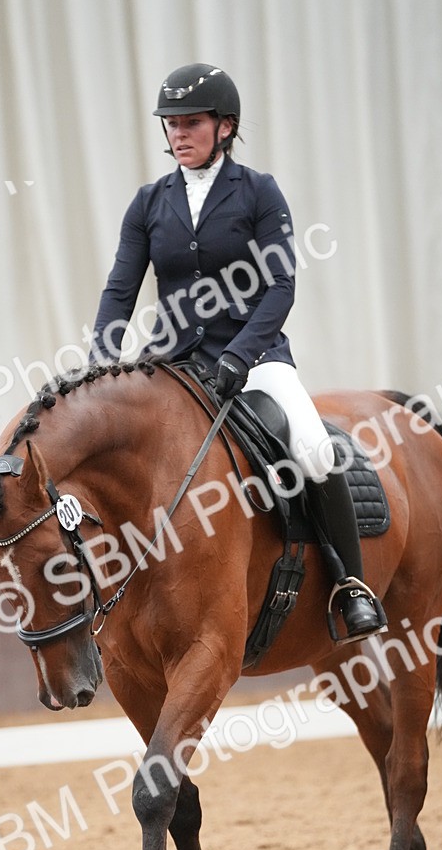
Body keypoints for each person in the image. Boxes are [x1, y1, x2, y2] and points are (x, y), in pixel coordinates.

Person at [91, 63, 385, 644]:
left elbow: (281, 287)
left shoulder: (258, 192)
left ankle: (350, 586)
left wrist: (240, 355)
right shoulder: (149, 203)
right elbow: (119, 291)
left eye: (192, 123)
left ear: (225, 126)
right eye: (171, 123)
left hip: (256, 361)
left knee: (315, 449)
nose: (179, 133)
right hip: (172, 364)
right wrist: (101, 364)